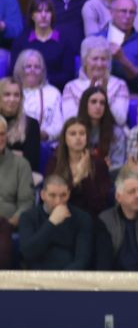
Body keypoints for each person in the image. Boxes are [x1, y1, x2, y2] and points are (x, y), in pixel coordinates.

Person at [18, 174, 93, 270]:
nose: (58, 201)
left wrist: (62, 277)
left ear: (69, 194)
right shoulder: (28, 217)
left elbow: (82, 259)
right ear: (43, 195)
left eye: (63, 195)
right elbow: (28, 253)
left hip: (70, 275)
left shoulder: (82, 218)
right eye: (52, 195)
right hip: (38, 275)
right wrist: (51, 223)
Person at [60, 37, 131, 134]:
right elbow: (70, 120)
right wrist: (88, 97)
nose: (99, 64)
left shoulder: (120, 85)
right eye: (95, 59)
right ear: (85, 61)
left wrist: (104, 96)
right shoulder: (70, 87)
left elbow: (121, 119)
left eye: (104, 59)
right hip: (82, 135)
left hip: (112, 135)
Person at [51, 117, 112, 217]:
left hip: (92, 218)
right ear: (64, 139)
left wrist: (85, 177)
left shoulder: (99, 164)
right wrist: (77, 180)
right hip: (62, 216)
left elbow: (101, 204)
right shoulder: (55, 163)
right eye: (73, 134)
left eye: (82, 133)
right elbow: (53, 200)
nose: (78, 137)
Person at [13, 0, 74, 90]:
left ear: (52, 15)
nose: (43, 15)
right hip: (25, 90)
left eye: (47, 11)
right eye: (39, 11)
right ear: (32, 15)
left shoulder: (64, 41)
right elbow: (15, 72)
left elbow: (68, 74)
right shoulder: (21, 41)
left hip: (55, 90)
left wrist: (42, 81)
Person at [102, 0, 138, 94]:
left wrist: (122, 60)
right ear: (111, 12)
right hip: (99, 95)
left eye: (132, 12)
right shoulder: (97, 39)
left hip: (132, 94)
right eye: (123, 11)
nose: (127, 16)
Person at [0, 116, 33, 267]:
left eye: (2, 134)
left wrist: (11, 222)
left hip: (6, 224)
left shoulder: (21, 165)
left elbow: (26, 203)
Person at [15, 49, 61, 140]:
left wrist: (44, 134)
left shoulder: (53, 93)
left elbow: (59, 124)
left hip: (44, 141)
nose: (32, 70)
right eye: (28, 66)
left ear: (42, 71)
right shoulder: (11, 90)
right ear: (20, 69)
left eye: (37, 67)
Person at [0, 76, 39, 170]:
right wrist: (15, 155)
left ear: (21, 98)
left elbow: (31, 162)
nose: (12, 99)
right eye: (7, 95)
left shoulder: (31, 124)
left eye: (16, 95)